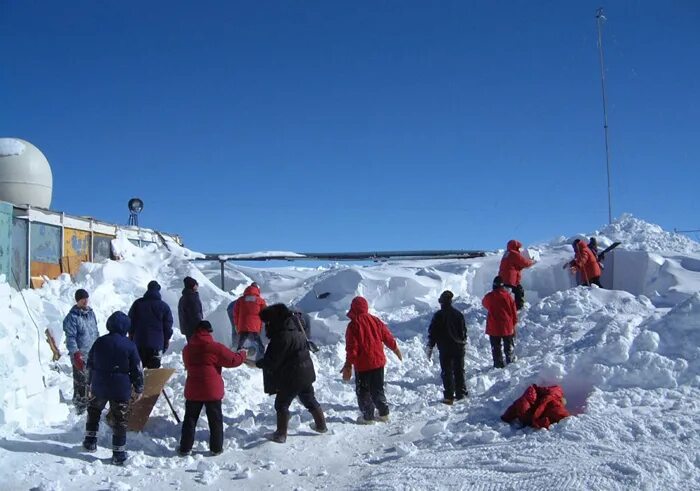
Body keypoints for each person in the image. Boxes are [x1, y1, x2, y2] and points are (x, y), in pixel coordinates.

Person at [255, 304, 327, 443]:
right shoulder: (295, 329)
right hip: (305, 373)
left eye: (267, 323)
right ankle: (321, 426)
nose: (266, 326)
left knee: (281, 404)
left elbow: (272, 360)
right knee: (309, 399)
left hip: (291, 377)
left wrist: (258, 363)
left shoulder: (281, 337)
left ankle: (280, 434)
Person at [83, 311, 144, 466]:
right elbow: (137, 368)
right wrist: (138, 387)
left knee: (94, 411)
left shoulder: (99, 342)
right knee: (120, 420)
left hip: (99, 385)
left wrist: (89, 382)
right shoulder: (130, 345)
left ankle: (90, 441)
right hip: (120, 387)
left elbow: (90, 363)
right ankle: (118, 453)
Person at [178, 320, 247, 456]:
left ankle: (185, 448)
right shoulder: (215, 347)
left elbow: (187, 365)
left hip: (193, 388)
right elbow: (233, 360)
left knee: (190, 419)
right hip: (211, 389)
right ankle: (216, 448)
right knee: (215, 420)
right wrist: (242, 354)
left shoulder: (187, 349)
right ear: (210, 332)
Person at [341, 296, 402, 424]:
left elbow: (352, 348)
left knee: (363, 391)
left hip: (363, 365)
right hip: (378, 363)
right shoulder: (375, 320)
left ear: (353, 308)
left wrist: (348, 365)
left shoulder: (353, 325)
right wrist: (395, 349)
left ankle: (368, 417)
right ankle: (384, 413)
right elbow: (387, 336)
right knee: (378, 388)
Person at [426, 290, 467, 405]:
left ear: (442, 302)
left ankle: (449, 396)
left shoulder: (438, 316)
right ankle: (461, 393)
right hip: (459, 347)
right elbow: (463, 331)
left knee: (447, 371)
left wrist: (430, 346)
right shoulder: (458, 314)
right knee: (459, 370)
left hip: (445, 348)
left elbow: (432, 333)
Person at [63, 288, 99, 414]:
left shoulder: (91, 314)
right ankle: (80, 406)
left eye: (86, 298)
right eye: (82, 299)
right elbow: (70, 338)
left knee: (93, 380)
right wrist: (75, 353)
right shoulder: (72, 317)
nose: (85, 301)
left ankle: (91, 404)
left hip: (92, 353)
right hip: (80, 355)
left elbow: (95, 331)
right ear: (77, 300)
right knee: (81, 382)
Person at [128, 280, 174, 368]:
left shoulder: (138, 304)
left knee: (138, 368)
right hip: (157, 344)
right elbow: (168, 325)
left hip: (139, 343)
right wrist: (167, 338)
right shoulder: (164, 306)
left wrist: (130, 335)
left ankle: (140, 381)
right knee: (153, 372)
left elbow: (131, 321)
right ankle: (152, 381)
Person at [482, 276, 518, 368]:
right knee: (508, 346)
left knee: (496, 347)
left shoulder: (489, 297)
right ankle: (510, 361)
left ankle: (498, 364)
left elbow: (484, 304)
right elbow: (514, 312)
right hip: (507, 326)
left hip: (494, 327)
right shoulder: (508, 297)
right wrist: (514, 324)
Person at [498, 240, 535, 310]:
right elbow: (525, 263)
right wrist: (532, 261)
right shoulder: (514, 254)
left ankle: (505, 307)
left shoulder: (506, 254)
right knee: (518, 292)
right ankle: (518, 308)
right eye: (519, 248)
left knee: (507, 293)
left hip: (502, 278)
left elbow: (513, 265)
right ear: (516, 247)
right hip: (509, 279)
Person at [232, 282, 267, 355]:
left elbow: (235, 312)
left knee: (242, 337)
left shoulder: (240, 300)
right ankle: (262, 351)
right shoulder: (260, 300)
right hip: (255, 325)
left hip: (243, 324)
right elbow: (266, 311)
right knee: (257, 339)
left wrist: (236, 324)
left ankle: (239, 350)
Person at [178, 276, 203, 343]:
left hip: (187, 329)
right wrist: (201, 327)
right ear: (193, 286)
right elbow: (196, 314)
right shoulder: (192, 297)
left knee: (192, 348)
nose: (197, 286)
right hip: (195, 329)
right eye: (196, 284)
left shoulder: (183, 298)